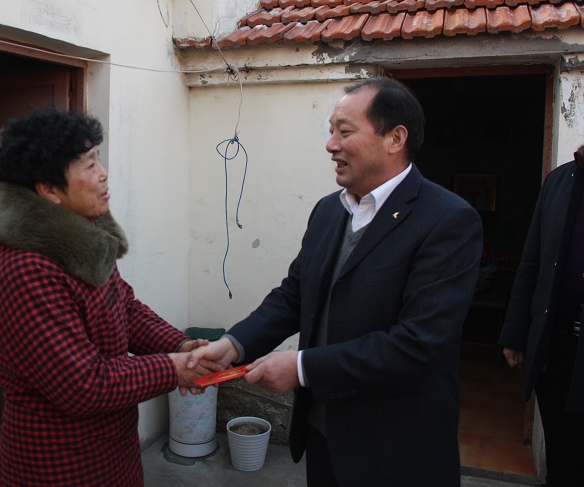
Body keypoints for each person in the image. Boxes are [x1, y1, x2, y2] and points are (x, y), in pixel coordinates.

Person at [188, 77, 483, 486]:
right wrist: (235, 344)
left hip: (397, 444)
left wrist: (302, 367)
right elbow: (294, 295)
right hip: (324, 433)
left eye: (344, 131)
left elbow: (419, 343)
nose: (331, 145)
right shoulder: (330, 211)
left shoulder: (447, 219)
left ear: (395, 138)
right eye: (330, 131)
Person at [0, 108, 216, 486]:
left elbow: (125, 307)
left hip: (114, 452)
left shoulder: (82, 238)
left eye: (98, 159)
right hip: (57, 464)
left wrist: (180, 345)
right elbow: (83, 384)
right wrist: (174, 368)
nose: (103, 173)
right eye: (88, 165)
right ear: (48, 190)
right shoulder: (24, 270)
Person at [498, 86, 584, 486]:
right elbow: (532, 263)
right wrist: (516, 333)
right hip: (560, 353)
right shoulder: (560, 182)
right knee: (564, 461)